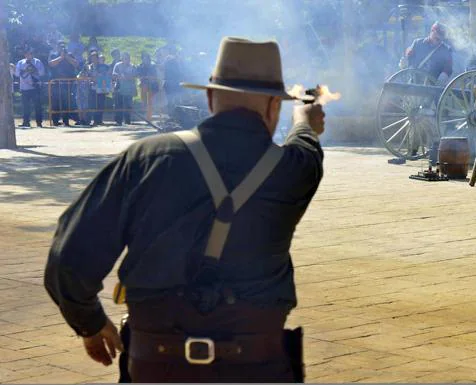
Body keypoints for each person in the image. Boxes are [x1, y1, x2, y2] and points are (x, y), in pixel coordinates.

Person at [44, 36, 325, 383]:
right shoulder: (295, 171)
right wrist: (306, 121)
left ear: (209, 98)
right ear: (273, 108)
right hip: (257, 369)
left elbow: (68, 260)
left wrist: (89, 323)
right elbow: (306, 145)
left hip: (155, 366)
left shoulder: (145, 158)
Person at [48, 40, 79, 126]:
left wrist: (66, 57)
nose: (62, 48)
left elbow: (76, 64)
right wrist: (61, 58)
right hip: (56, 83)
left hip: (67, 83)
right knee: (55, 103)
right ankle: (55, 121)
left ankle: (66, 121)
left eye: (63, 46)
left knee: (67, 102)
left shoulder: (70, 55)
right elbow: (51, 64)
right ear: (57, 47)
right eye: (60, 46)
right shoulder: (53, 55)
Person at [15, 47, 45, 128]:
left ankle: (39, 122)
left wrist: (33, 69)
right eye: (27, 53)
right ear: (25, 54)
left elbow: (42, 73)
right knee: (25, 106)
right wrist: (25, 70)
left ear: (33, 54)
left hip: (35, 87)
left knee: (37, 105)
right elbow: (17, 74)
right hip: (24, 87)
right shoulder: (20, 62)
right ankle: (26, 122)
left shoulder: (37, 62)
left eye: (31, 53)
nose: (29, 55)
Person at [112, 52, 137, 125]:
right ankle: (118, 121)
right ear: (122, 58)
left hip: (128, 88)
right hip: (119, 87)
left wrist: (128, 76)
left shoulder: (132, 66)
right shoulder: (117, 65)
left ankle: (127, 120)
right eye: (124, 58)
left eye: (127, 58)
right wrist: (120, 75)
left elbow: (135, 75)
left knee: (128, 104)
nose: (126, 59)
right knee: (118, 104)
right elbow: (114, 75)